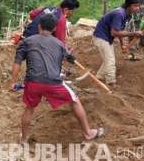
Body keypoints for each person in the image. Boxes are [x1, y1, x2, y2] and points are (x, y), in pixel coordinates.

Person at [10, 14, 104, 143]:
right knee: (74, 100)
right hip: (53, 82)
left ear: (39, 26)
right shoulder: (59, 44)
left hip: (32, 82)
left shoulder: (27, 41)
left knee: (29, 109)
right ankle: (87, 133)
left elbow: (17, 62)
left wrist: (13, 82)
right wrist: (70, 56)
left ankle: (23, 140)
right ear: (54, 28)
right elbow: (68, 57)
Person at [92, 0, 143, 86]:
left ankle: (98, 78)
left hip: (106, 37)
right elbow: (114, 33)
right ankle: (111, 82)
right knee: (110, 61)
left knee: (108, 60)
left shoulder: (127, 14)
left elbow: (119, 30)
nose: (138, 8)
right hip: (101, 37)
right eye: (135, 6)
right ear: (128, 5)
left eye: (139, 6)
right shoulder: (120, 14)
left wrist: (122, 44)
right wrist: (134, 33)